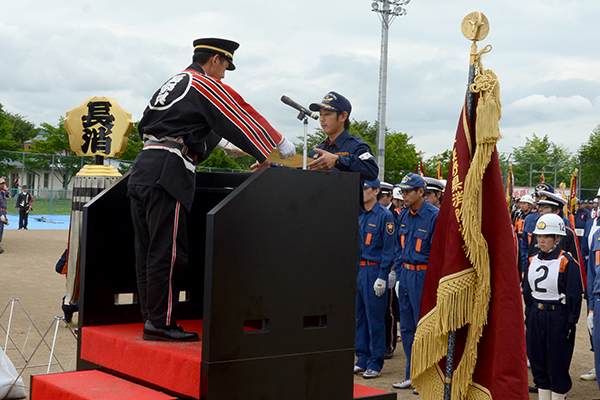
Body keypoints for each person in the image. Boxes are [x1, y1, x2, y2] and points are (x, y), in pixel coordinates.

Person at [128, 37, 295, 342]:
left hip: (143, 167)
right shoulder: (200, 81)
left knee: (148, 250)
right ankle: (162, 323)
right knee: (169, 251)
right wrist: (274, 143)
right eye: (225, 67)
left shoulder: (174, 82)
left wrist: (226, 144)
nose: (224, 75)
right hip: (168, 168)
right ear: (215, 60)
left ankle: (152, 317)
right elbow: (238, 111)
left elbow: (188, 125)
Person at [252, 91, 378, 212]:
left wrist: (338, 160)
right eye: (321, 114)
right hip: (316, 218)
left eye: (327, 114)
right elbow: (298, 175)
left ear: (343, 116)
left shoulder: (356, 146)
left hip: (346, 223)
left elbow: (372, 170)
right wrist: (271, 167)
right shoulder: (318, 150)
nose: (322, 119)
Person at [523, 213, 583, 400]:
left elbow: (574, 294)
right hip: (536, 315)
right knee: (538, 363)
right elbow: (527, 291)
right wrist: (529, 314)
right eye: (539, 236)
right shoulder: (532, 260)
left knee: (557, 364)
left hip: (558, 317)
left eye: (546, 236)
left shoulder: (567, 261)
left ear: (557, 238)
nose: (541, 240)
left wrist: (572, 321)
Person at [392, 173, 439, 390]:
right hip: (407, 275)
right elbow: (399, 249)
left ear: (421, 192)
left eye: (408, 191)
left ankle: (426, 376)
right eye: (402, 191)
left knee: (425, 327)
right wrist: (399, 276)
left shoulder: (434, 216)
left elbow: (439, 254)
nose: (404, 195)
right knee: (408, 327)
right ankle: (411, 373)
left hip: (424, 276)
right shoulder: (404, 215)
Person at [354, 179, 397, 379]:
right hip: (359, 270)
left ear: (376, 191)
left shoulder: (384, 216)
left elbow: (389, 249)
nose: (362, 192)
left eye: (365, 188)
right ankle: (361, 358)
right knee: (359, 317)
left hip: (374, 271)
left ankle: (375, 361)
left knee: (375, 319)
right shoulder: (359, 213)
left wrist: (382, 276)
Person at [0, 177, 8, 254]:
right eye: (1, 184)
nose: (2, 185)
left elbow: (9, 194)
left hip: (2, 213)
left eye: (3, 184)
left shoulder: (3, 192)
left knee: (1, 231)